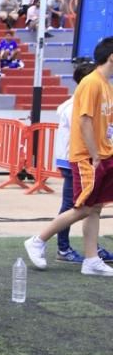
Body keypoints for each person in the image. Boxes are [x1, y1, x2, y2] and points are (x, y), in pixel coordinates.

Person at [25, 37, 113, 277]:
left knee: (94, 208)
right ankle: (38, 239)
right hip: (88, 157)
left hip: (102, 155)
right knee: (83, 207)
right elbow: (84, 120)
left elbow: (104, 124)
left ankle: (91, 259)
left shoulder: (105, 84)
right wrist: (95, 154)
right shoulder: (92, 83)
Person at [47, 62, 112, 264]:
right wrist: (95, 154)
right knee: (77, 205)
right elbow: (85, 126)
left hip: (85, 157)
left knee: (93, 206)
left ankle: (91, 250)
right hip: (76, 159)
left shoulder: (97, 94)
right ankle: (60, 246)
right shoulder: (74, 104)